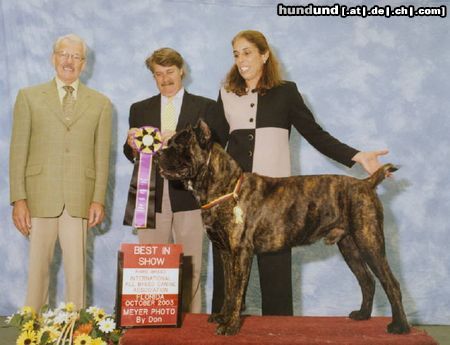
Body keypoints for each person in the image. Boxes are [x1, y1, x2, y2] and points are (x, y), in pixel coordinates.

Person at [209, 30, 389, 316]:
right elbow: (212, 141)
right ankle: (224, 315)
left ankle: (279, 325)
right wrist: (172, 140)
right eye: (236, 54)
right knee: (228, 260)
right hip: (234, 196)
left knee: (275, 268)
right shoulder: (226, 93)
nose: (241, 60)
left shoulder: (286, 92)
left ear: (264, 54)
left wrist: (356, 156)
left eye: (247, 52)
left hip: (276, 197)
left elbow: (316, 135)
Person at [9, 34, 112, 313]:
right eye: (64, 54)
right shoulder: (28, 97)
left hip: (80, 197)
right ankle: (32, 327)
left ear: (84, 64)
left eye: (75, 56)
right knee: (37, 271)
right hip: (39, 195)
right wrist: (19, 199)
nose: (69, 61)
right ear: (53, 58)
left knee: (76, 272)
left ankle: (74, 329)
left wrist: (97, 199)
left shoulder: (101, 103)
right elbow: (18, 152)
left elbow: (101, 157)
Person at [123, 47, 216, 313]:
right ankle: (154, 328)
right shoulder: (139, 108)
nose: (165, 79)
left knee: (190, 267)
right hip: (149, 197)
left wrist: (179, 139)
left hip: (189, 197)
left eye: (170, 72)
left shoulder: (205, 107)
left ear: (182, 70)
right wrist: (131, 144)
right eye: (158, 74)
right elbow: (131, 154)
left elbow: (212, 152)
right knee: (151, 269)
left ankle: (192, 327)